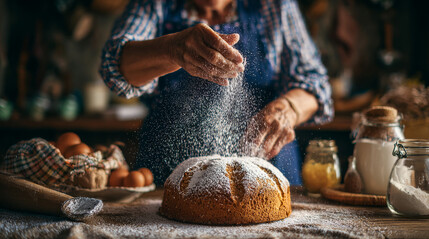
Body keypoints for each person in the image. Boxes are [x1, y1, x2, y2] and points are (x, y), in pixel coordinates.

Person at [100, 0, 333, 185]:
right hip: (170, 176)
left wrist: (287, 110)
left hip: (265, 170)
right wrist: (172, 49)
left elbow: (315, 83)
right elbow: (114, 66)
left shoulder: (274, 5)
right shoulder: (156, 4)